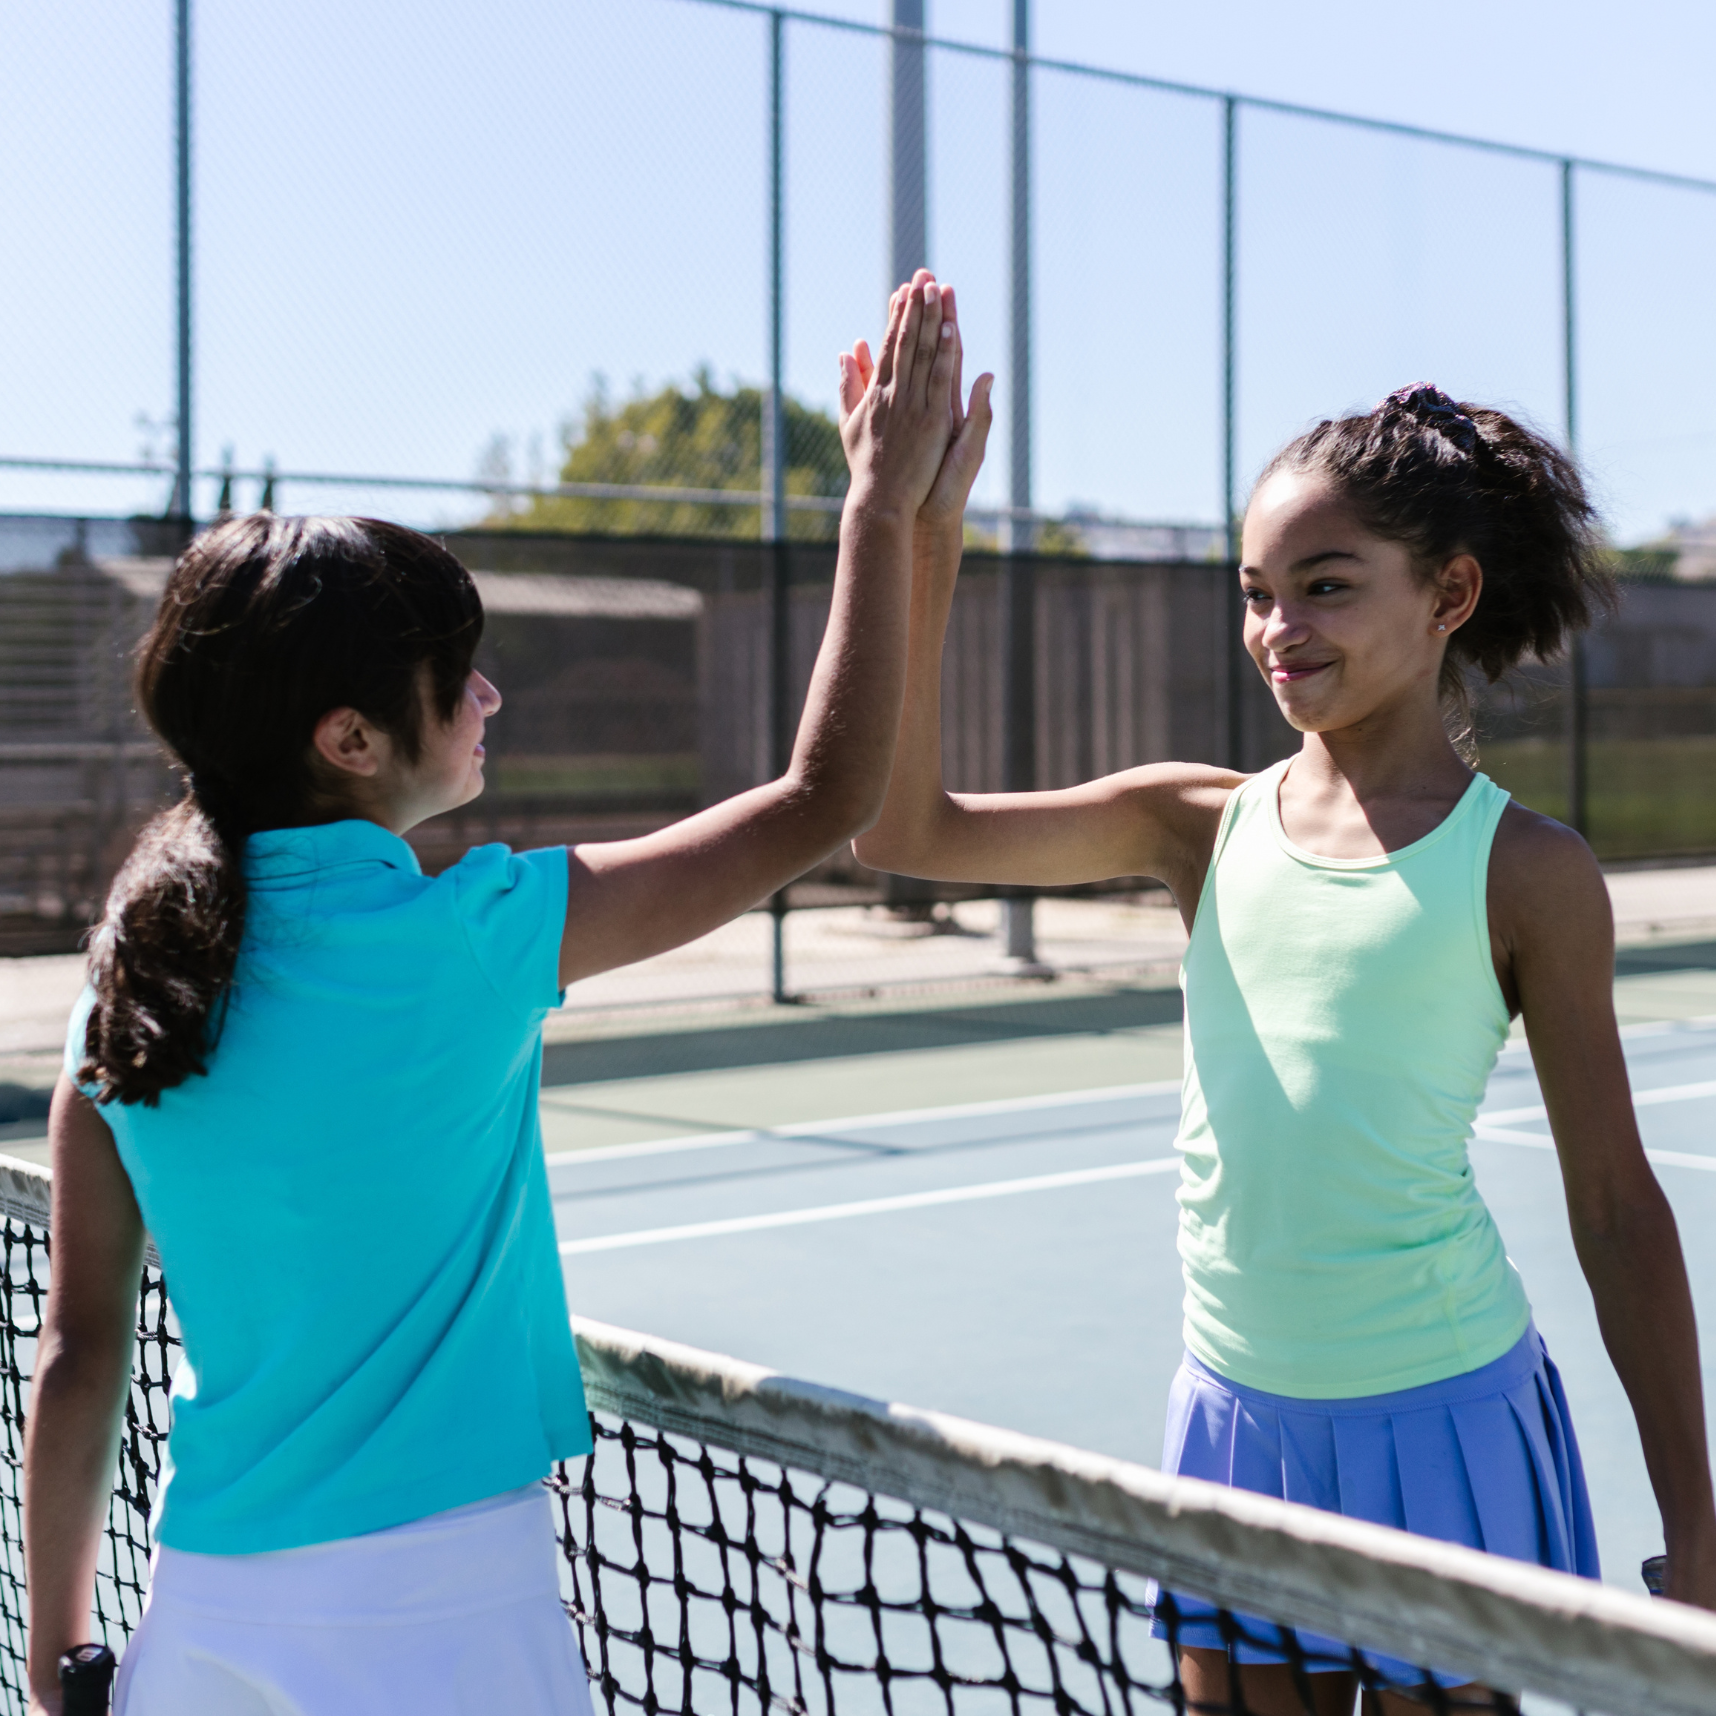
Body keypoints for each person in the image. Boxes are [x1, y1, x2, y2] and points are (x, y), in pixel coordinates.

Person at [23, 275, 992, 1716]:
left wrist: (54, 1660)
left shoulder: (131, 975)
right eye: (458, 680)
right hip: (442, 1614)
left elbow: (80, 1346)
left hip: (202, 1613)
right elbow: (825, 799)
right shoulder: (472, 934)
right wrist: (881, 510)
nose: (488, 703)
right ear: (351, 737)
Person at [849, 358, 1716, 1711]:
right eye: (1255, 592)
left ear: (1448, 597)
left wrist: (1699, 1519)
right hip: (1236, 1422)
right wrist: (920, 535)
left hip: (1447, 1424)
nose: (1278, 627)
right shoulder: (1193, 820)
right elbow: (900, 829)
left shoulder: (1528, 874)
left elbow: (1613, 1206)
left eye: (1325, 585)